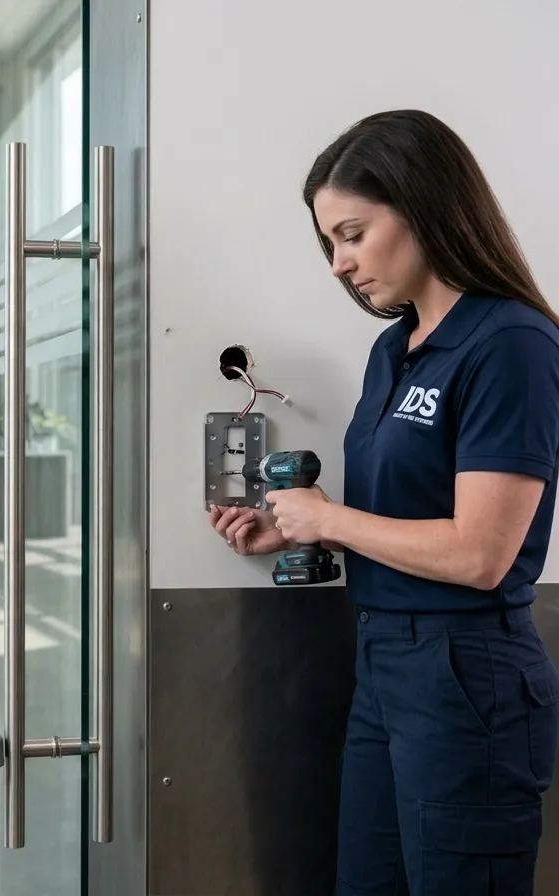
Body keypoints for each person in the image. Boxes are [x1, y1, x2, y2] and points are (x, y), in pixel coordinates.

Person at [209, 110, 559, 895]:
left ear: (425, 206)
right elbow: (405, 515)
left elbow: (481, 554)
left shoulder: (511, 343)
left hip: (466, 672)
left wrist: (330, 518)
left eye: (353, 234)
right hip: (382, 661)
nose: (340, 264)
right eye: (330, 243)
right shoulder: (392, 350)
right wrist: (298, 526)